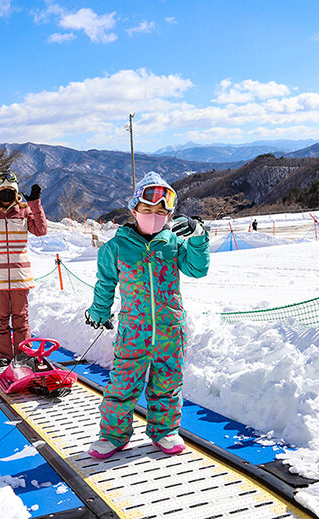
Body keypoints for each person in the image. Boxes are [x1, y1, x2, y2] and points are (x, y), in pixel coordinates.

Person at [85, 171, 210, 458]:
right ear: (134, 210)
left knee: (167, 383)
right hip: (133, 332)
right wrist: (99, 312)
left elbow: (198, 269)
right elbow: (105, 284)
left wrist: (199, 237)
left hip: (171, 330)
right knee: (122, 386)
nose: (154, 216)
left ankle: (165, 431)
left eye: (160, 211)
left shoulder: (174, 243)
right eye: (147, 210)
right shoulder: (115, 247)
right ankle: (113, 435)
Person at [0, 171, 47, 368]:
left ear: (15, 192)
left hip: (20, 275)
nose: (6, 193)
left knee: (21, 318)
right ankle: (2, 355)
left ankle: (24, 354)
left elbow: (41, 230)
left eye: (10, 190)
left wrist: (35, 204)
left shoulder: (24, 211)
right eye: (2, 190)